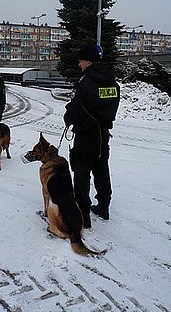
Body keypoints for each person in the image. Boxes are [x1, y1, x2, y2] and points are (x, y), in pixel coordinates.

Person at [63, 46, 120, 228]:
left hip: (86, 134)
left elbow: (76, 107)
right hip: (103, 134)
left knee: (81, 172)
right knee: (101, 169)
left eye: (80, 60)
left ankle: (83, 214)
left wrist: (68, 118)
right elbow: (112, 107)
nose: (79, 64)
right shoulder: (112, 82)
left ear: (88, 61)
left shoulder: (85, 81)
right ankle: (104, 207)